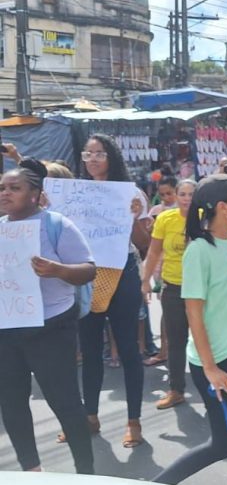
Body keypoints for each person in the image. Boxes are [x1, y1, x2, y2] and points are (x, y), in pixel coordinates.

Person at [152, 174, 227, 485]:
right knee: (226, 442)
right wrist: (212, 369)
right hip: (219, 361)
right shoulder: (200, 250)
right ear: (222, 207)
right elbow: (193, 313)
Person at [0, 158, 96, 474]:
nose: (5, 193)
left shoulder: (57, 225)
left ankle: (86, 472)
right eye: (2, 187)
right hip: (7, 329)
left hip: (51, 328)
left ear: (34, 194)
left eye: (14, 188)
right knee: (12, 402)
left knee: (65, 403)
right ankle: (32, 470)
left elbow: (88, 270)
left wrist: (57, 270)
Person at [74, 134, 151, 448]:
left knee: (129, 350)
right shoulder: (77, 194)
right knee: (90, 350)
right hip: (87, 274)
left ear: (112, 157)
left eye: (99, 153)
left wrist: (132, 218)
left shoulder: (131, 194)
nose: (92, 159)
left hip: (123, 273)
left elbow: (144, 246)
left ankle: (134, 421)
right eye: (88, 153)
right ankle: (90, 416)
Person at [141, 179, 197, 410]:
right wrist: (145, 281)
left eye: (191, 194)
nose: (186, 198)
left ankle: (213, 383)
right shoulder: (165, 219)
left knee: (208, 338)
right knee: (176, 340)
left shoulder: (206, 217)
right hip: (173, 286)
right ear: (176, 195)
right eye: (182, 194)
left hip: (202, 289)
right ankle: (176, 390)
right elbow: (154, 252)